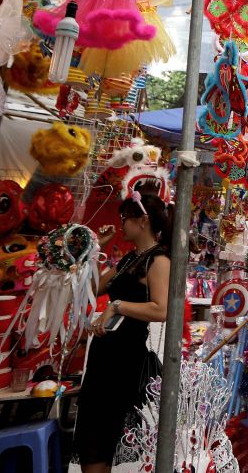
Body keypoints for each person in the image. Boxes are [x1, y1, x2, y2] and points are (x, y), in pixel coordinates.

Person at [76, 194, 172, 473]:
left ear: (142, 221)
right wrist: (96, 250)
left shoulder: (158, 260)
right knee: (94, 439)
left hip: (125, 360)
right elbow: (94, 288)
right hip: (104, 355)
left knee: (104, 435)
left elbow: (161, 309)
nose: (120, 225)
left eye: (124, 219)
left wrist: (118, 306)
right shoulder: (132, 258)